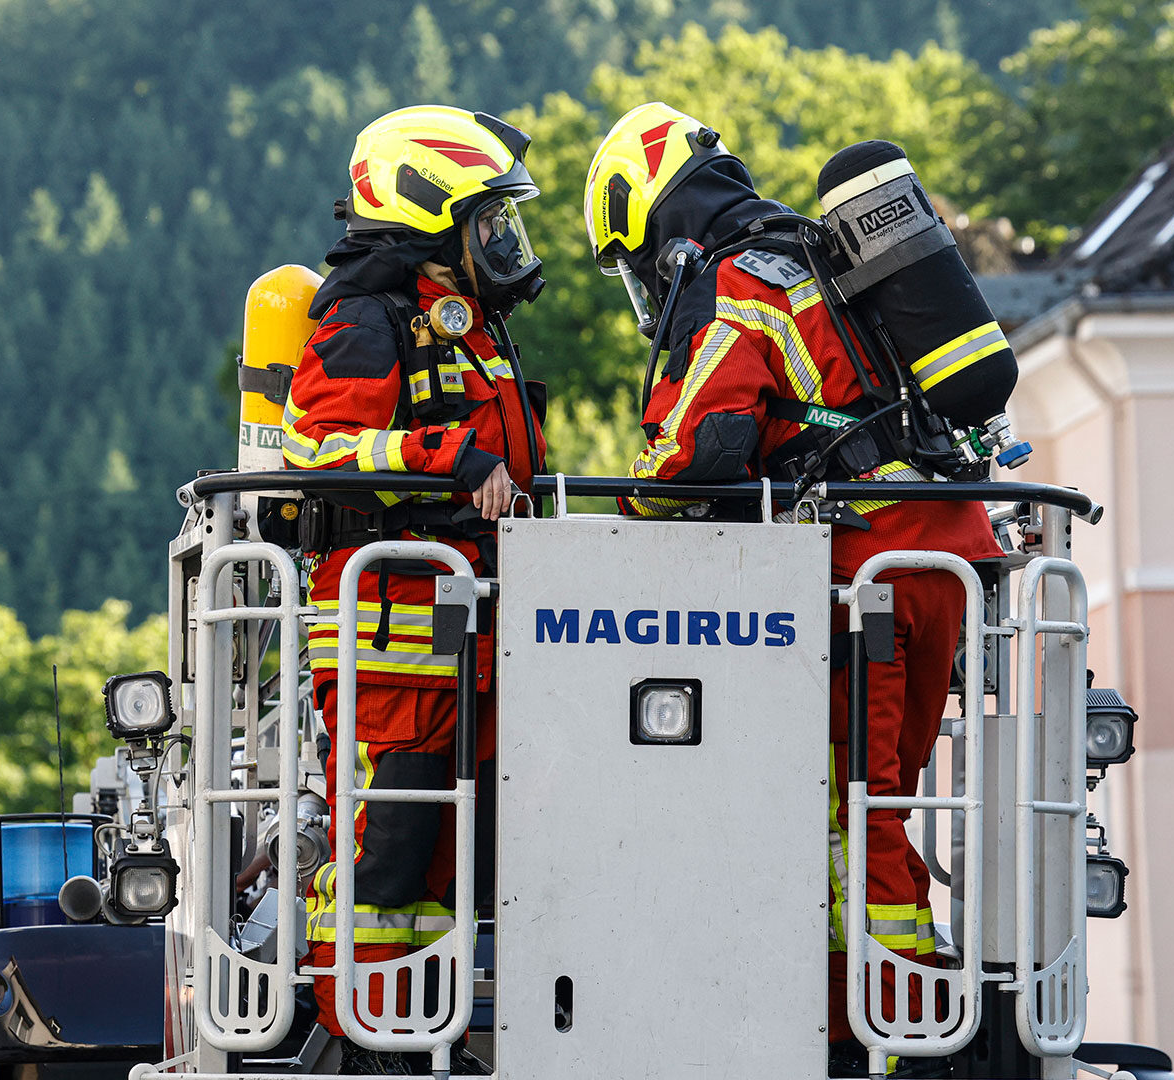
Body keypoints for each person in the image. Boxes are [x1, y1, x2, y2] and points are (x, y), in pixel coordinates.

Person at [582, 102, 1003, 1077]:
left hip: (866, 572)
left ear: (651, 214)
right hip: (944, 549)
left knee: (851, 809)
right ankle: (858, 1020)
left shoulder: (738, 278)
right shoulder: (821, 256)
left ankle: (902, 1033)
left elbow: (697, 446)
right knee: (877, 796)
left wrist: (621, 525)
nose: (644, 282)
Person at [283, 104, 546, 1075]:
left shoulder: (467, 324)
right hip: (391, 632)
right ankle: (357, 1040)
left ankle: (419, 1034)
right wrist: (451, 454)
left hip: (468, 629)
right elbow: (323, 451)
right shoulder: (362, 316)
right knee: (385, 847)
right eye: (487, 222)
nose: (502, 243)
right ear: (426, 213)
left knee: (447, 860)